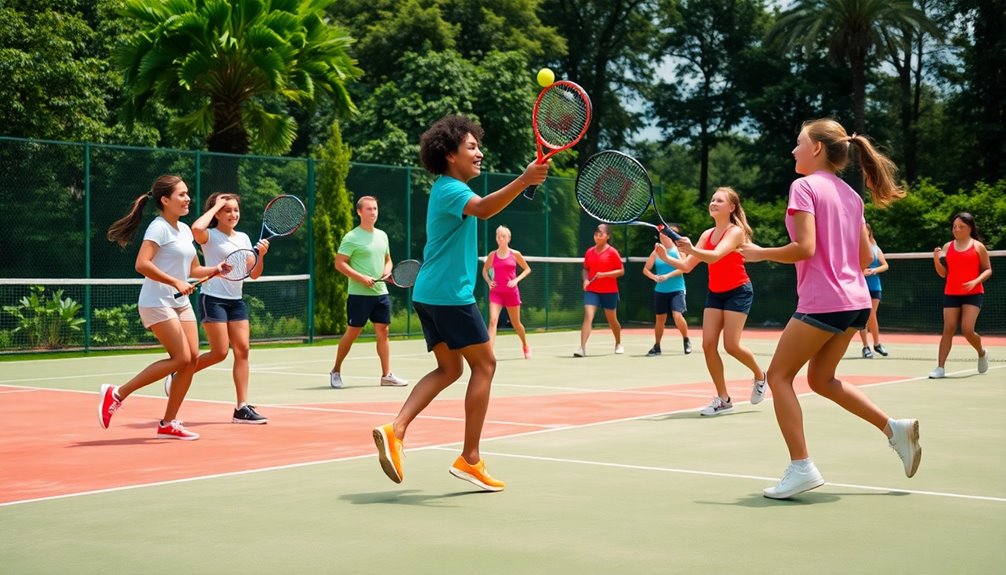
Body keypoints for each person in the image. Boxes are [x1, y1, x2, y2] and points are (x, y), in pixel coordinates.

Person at [741, 119, 920, 499]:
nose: (793, 150)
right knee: (822, 379)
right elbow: (866, 257)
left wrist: (760, 253)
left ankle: (801, 467)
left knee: (779, 377)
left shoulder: (803, 187)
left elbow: (804, 248)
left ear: (817, 148)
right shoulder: (852, 196)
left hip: (824, 301)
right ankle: (894, 429)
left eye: (799, 142)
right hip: (856, 302)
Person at [371, 115, 550, 492]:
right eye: (471, 147)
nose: (479, 153)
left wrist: (524, 180)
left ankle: (396, 429)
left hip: (429, 294)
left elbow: (482, 207)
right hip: (450, 295)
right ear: (450, 155)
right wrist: (524, 179)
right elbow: (484, 209)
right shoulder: (451, 188)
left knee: (450, 368)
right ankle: (470, 458)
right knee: (485, 365)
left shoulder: (446, 189)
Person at [100, 175, 228, 440]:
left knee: (192, 359)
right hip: (156, 301)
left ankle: (169, 423)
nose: (188, 198)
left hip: (179, 302)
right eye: (181, 194)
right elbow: (142, 264)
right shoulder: (158, 228)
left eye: (187, 193)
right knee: (181, 358)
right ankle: (118, 393)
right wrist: (175, 281)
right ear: (165, 200)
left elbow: (193, 269)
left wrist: (215, 269)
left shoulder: (184, 230)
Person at [656, 187, 766, 416]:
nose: (713, 203)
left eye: (719, 200)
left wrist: (691, 248)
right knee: (708, 345)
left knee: (731, 345)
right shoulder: (707, 235)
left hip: (738, 291)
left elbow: (715, 257)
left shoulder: (735, 232)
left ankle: (760, 375)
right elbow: (687, 266)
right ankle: (723, 399)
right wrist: (666, 257)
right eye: (713, 199)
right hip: (716, 293)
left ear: (731, 207)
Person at [163, 193, 270, 424]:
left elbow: (254, 274)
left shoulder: (243, 238)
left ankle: (241, 407)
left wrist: (261, 256)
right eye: (227, 209)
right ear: (218, 213)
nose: (233, 214)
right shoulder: (210, 235)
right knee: (220, 352)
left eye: (235, 209)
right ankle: (179, 373)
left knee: (243, 350)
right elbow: (196, 228)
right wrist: (216, 204)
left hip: (236, 301)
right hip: (213, 298)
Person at [330, 196, 408, 389]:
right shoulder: (351, 237)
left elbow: (388, 259)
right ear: (359, 212)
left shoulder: (382, 236)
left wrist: (387, 271)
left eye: (375, 208)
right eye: (369, 209)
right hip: (359, 295)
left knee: (383, 331)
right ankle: (336, 371)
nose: (373, 212)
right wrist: (361, 278)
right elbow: (339, 263)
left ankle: (386, 375)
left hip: (381, 293)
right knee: (353, 332)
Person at [929, 212, 992, 379]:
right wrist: (936, 260)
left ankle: (982, 352)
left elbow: (988, 270)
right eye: (954, 226)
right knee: (948, 328)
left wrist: (975, 281)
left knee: (967, 329)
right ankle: (940, 367)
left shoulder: (978, 247)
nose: (956, 229)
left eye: (961, 226)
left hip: (973, 293)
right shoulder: (947, 247)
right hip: (951, 293)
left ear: (970, 228)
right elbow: (943, 274)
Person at [575, 224, 625, 357]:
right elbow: (585, 269)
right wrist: (585, 280)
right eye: (596, 233)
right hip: (592, 290)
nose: (597, 236)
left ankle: (618, 343)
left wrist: (605, 275)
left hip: (609, 291)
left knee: (612, 320)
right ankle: (582, 348)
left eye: (601, 234)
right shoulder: (589, 252)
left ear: (607, 236)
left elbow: (621, 271)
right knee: (588, 316)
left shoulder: (612, 252)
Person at [482, 225, 532, 358]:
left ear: (509, 238)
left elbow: (527, 269)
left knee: (516, 324)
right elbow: (485, 270)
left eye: (503, 236)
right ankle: (489, 352)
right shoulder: (492, 255)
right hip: (496, 293)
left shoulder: (515, 254)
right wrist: (489, 281)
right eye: (498, 236)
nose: (500, 239)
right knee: (493, 321)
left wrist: (516, 280)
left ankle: (525, 345)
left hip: (511, 294)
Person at [642, 227, 691, 356]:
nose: (662, 236)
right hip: (660, 291)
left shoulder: (679, 250)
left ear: (670, 235)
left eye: (664, 234)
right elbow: (646, 269)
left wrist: (667, 276)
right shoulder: (656, 252)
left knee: (677, 315)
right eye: (660, 234)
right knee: (660, 319)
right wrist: (654, 277)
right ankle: (657, 346)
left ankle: (686, 340)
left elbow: (684, 268)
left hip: (677, 289)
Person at [858, 223, 889, 358]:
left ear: (870, 232)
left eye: (866, 231)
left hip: (875, 286)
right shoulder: (856, 248)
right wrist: (861, 271)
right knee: (863, 316)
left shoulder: (876, 248)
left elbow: (885, 265)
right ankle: (866, 347)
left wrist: (874, 270)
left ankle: (877, 344)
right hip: (860, 286)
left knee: (872, 315)